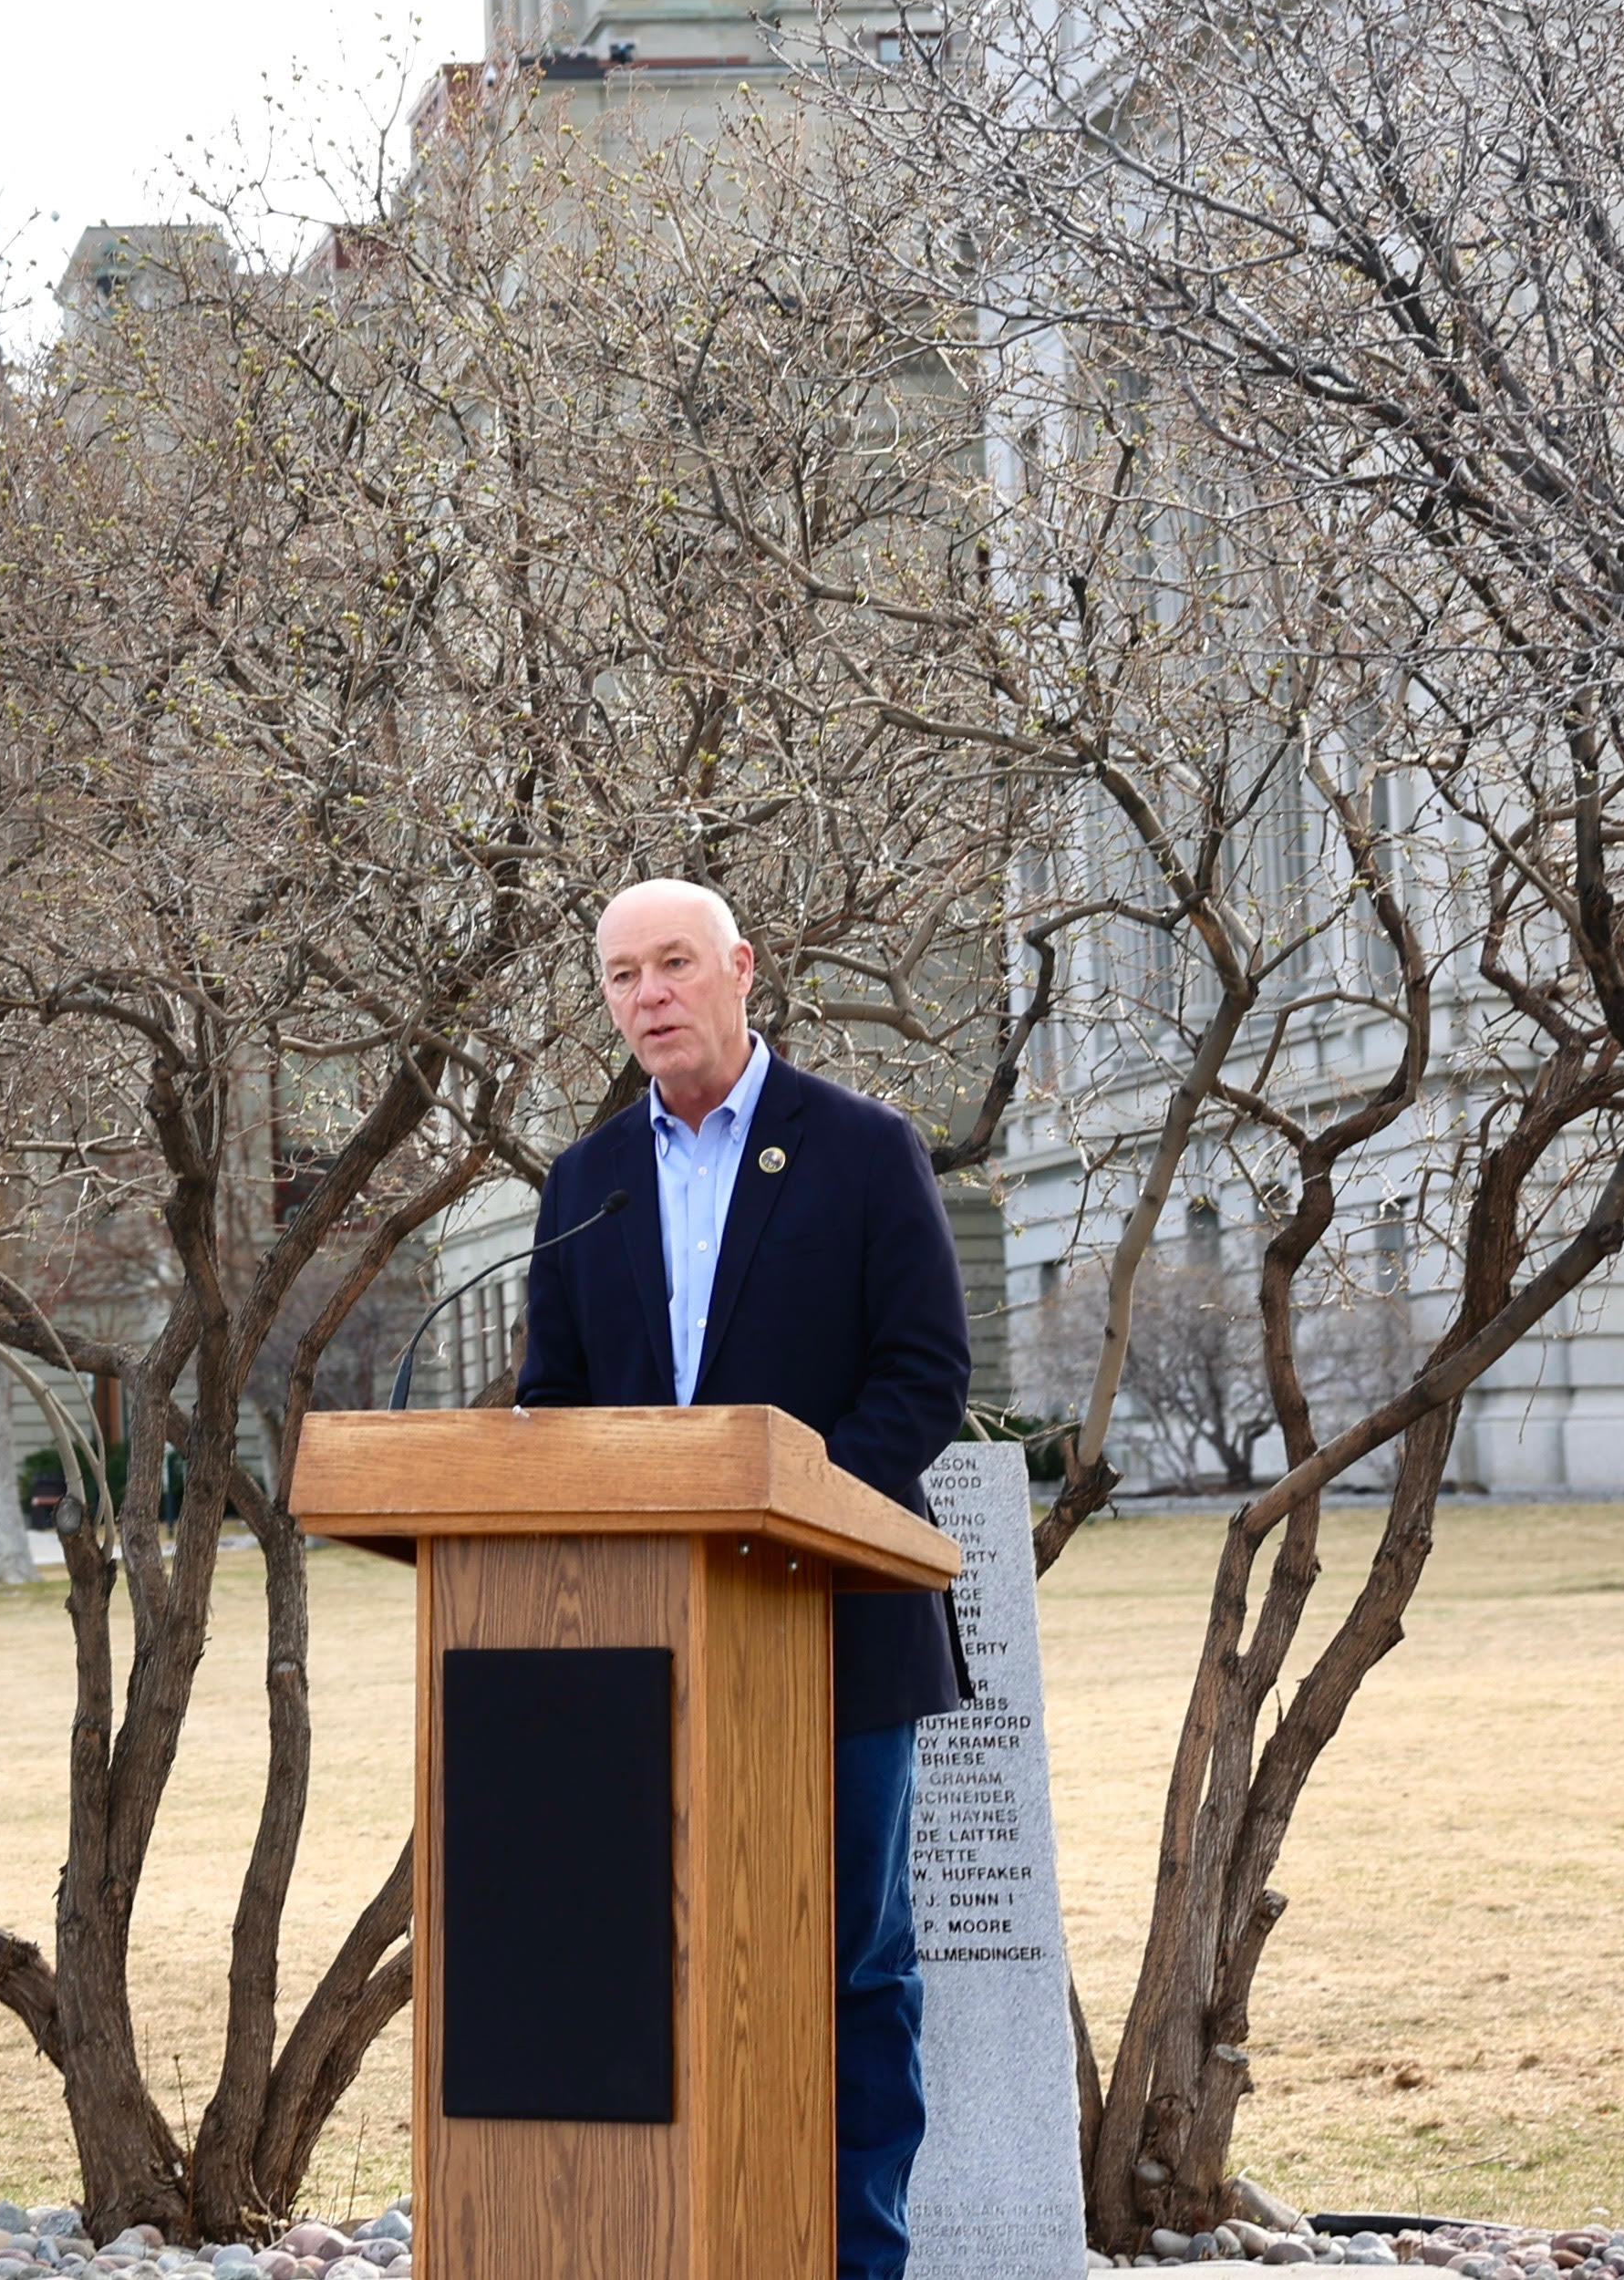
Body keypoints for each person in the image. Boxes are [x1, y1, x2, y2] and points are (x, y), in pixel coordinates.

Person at [513, 878, 973, 2280]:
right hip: (633, 1650)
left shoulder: (863, 1149)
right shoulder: (582, 1185)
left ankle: (853, 2260)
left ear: (739, 971)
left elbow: (926, 1377)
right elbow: (553, 1400)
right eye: (618, 976)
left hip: (835, 1634)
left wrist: (793, 1510)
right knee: (649, 1977)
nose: (647, 995)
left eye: (671, 965)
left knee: (847, 1971)